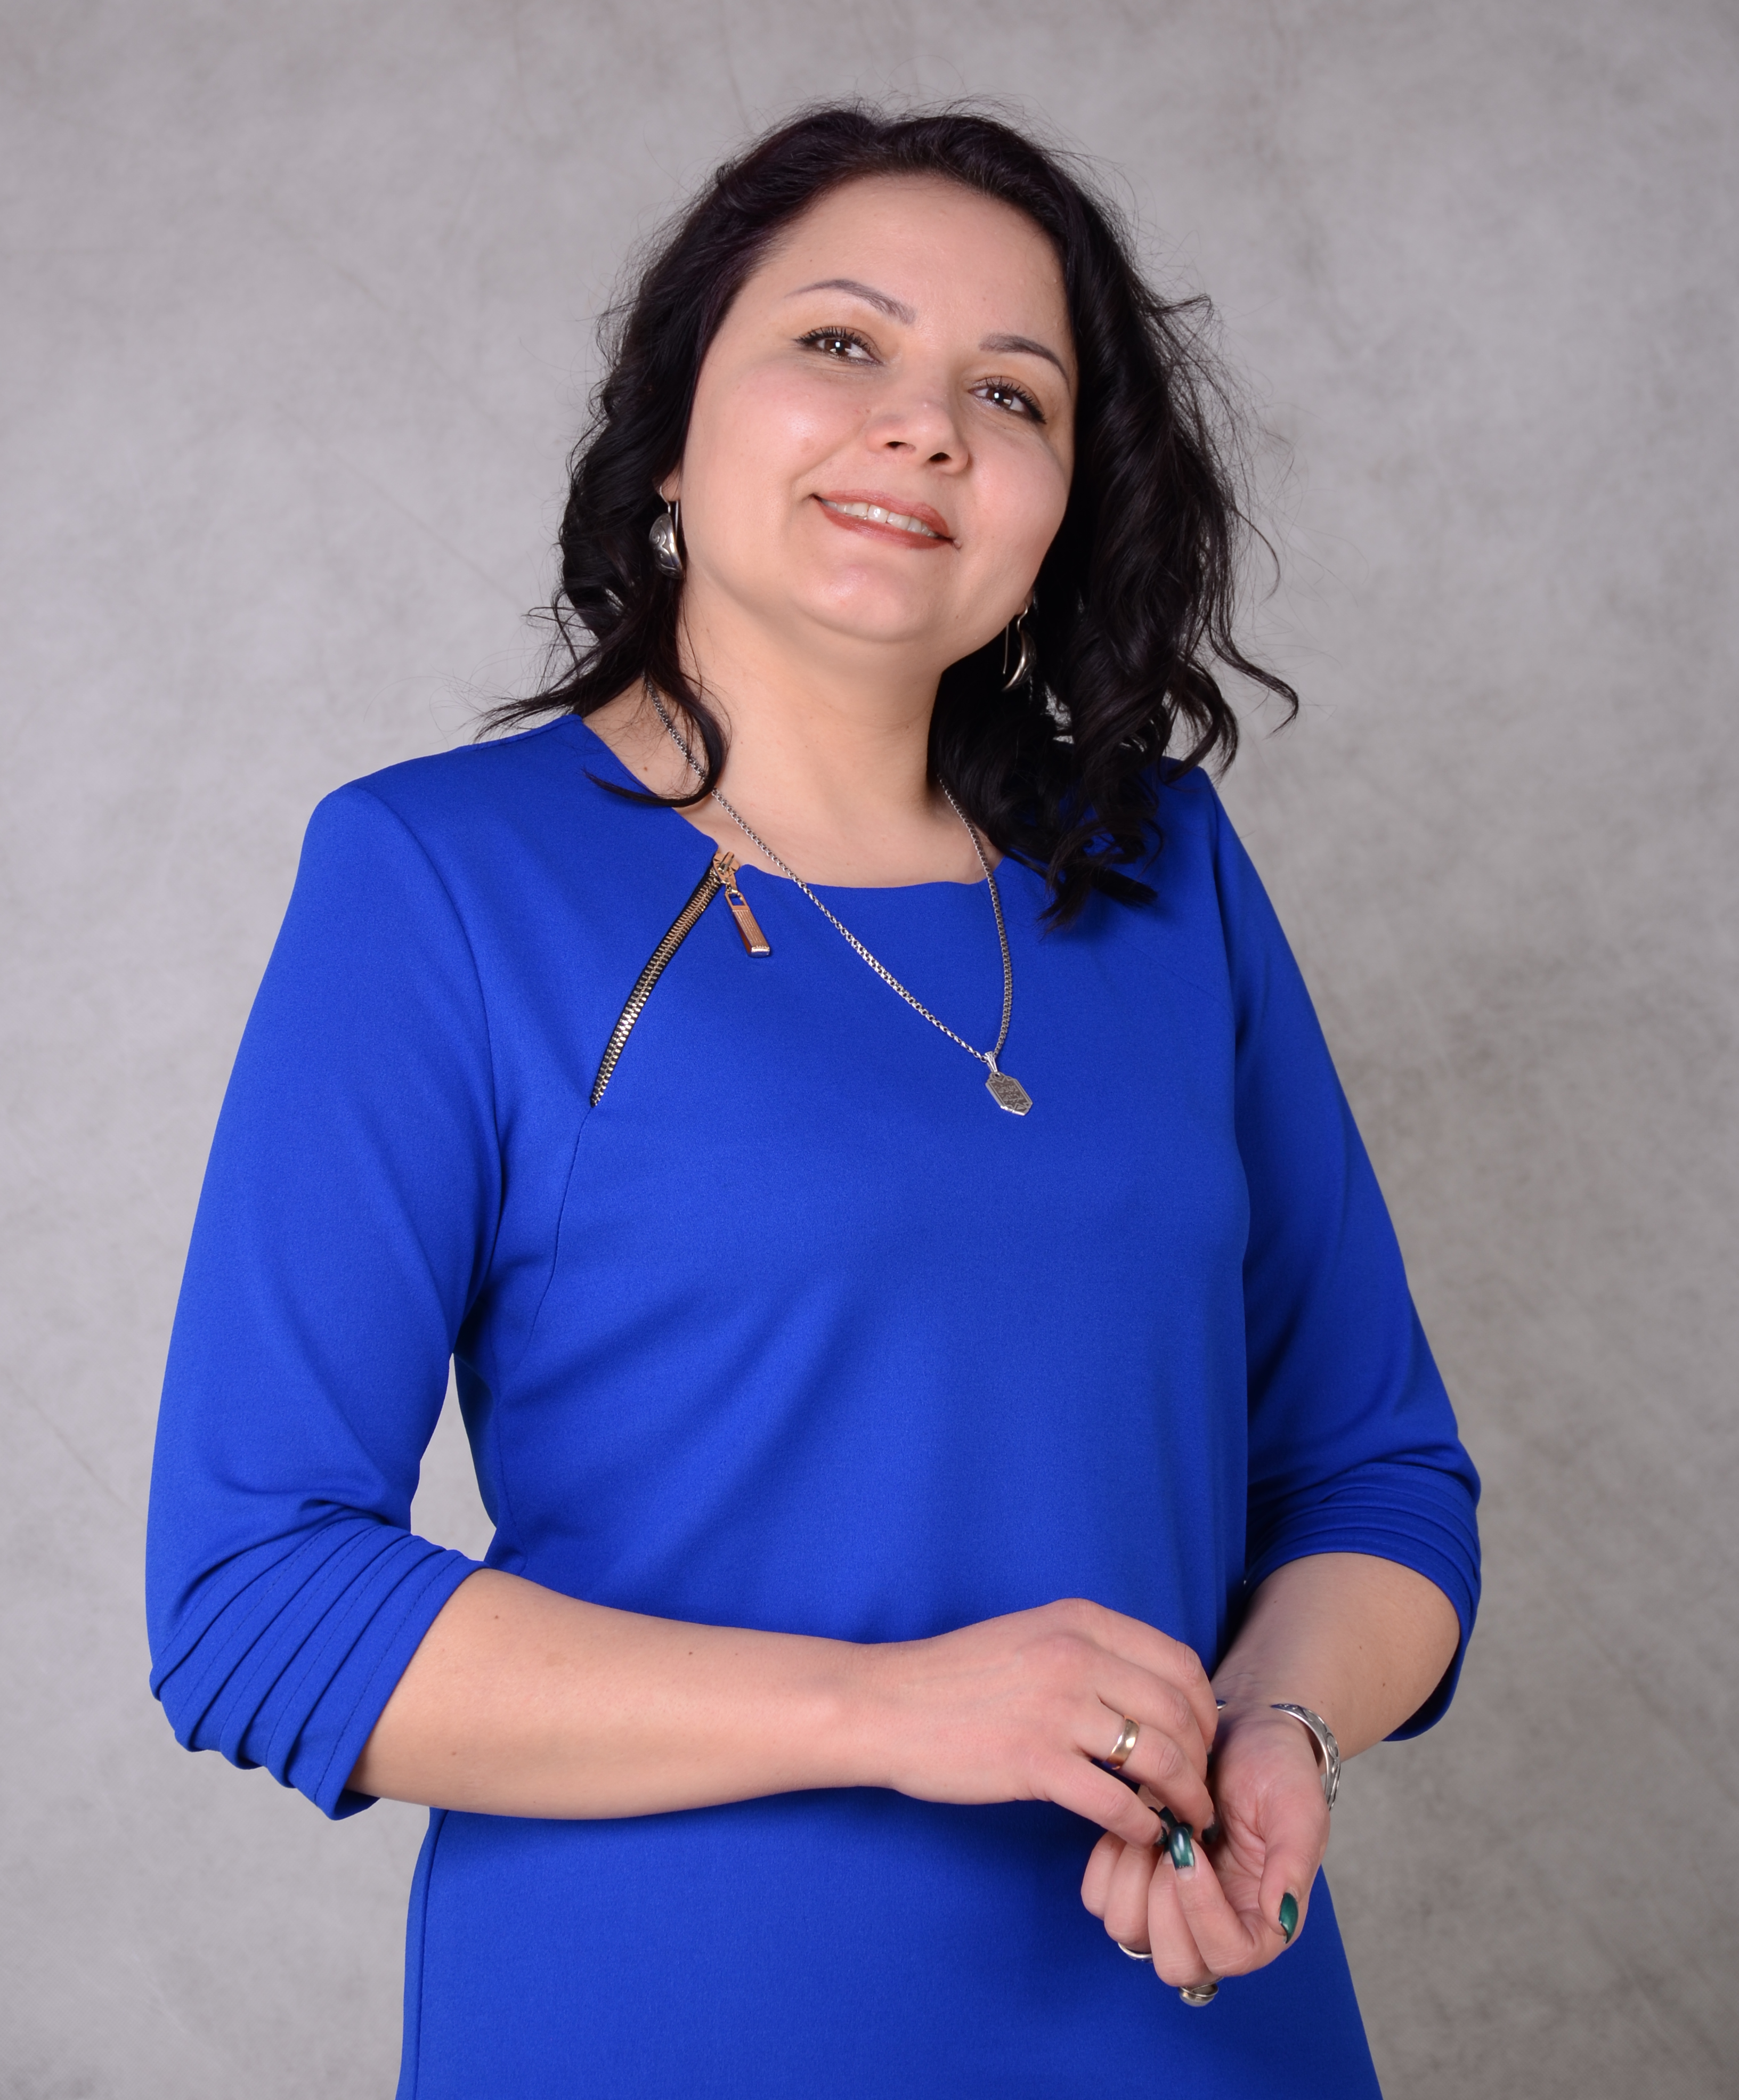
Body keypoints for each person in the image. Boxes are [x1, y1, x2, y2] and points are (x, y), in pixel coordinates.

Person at [147, 105, 1480, 2098]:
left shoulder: (1166, 876)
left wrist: (1281, 1736)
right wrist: (891, 1711)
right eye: (841, 344)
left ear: (1061, 509)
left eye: (1010, 393)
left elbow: (1378, 1475)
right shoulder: (440, 879)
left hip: (1196, 2015)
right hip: (675, 2017)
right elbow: (253, 1594)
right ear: (673, 435)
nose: (925, 426)